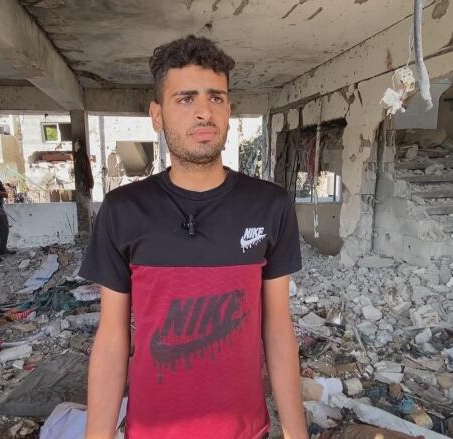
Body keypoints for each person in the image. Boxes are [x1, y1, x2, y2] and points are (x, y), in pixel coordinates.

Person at [79, 36, 307, 439]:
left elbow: (277, 327)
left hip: (244, 430)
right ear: (157, 114)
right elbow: (113, 340)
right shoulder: (122, 210)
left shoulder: (269, 205)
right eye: (185, 99)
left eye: (216, 98)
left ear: (229, 109)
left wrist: (296, 432)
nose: (204, 112)